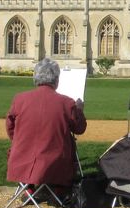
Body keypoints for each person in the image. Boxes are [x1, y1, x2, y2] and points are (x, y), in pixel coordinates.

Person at [5, 58, 87, 197]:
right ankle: (58, 189)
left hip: (21, 158)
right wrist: (79, 110)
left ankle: (28, 188)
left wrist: (20, 141)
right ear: (56, 80)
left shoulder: (19, 99)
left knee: (25, 147)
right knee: (67, 145)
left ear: (35, 78)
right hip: (55, 162)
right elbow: (79, 129)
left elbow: (10, 127)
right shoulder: (67, 102)